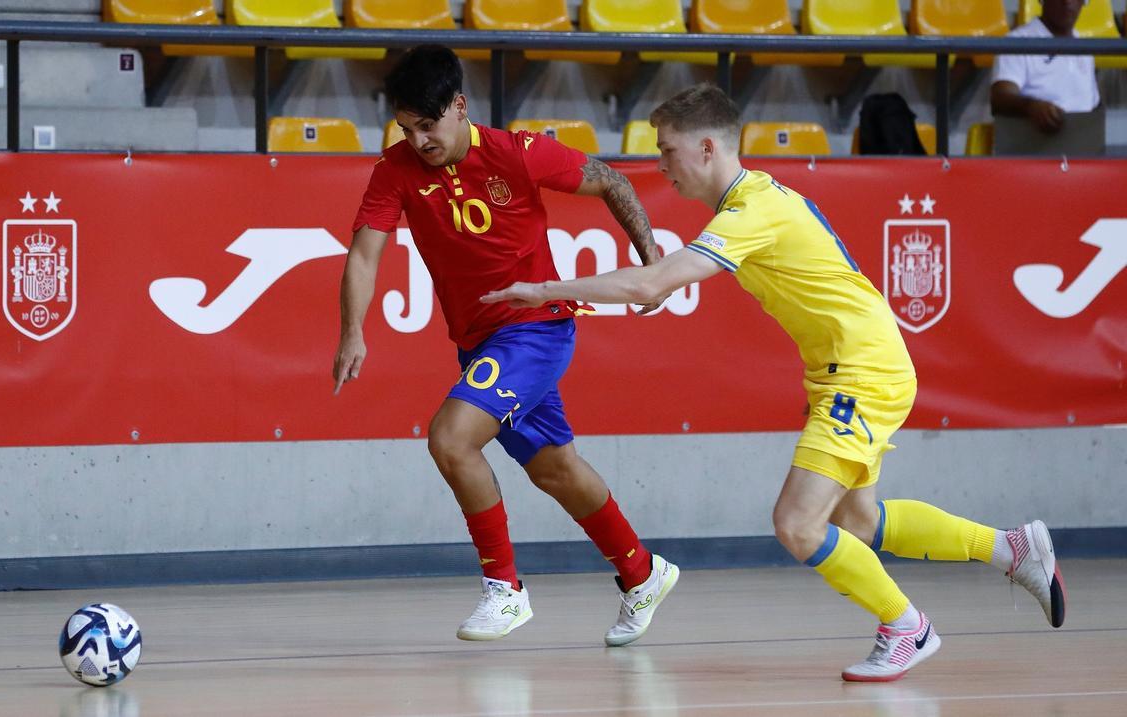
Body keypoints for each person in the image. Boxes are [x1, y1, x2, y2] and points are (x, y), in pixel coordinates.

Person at [482, 83, 1066, 681]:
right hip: (857, 366)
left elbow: (648, 285)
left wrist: (545, 290)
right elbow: (657, 279)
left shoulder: (750, 212)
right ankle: (1009, 548)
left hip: (862, 372)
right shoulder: (751, 203)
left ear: (707, 148)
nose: (661, 165)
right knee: (858, 523)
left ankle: (906, 628)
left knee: (797, 523)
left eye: (668, 151)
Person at [333, 45, 679, 646]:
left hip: (536, 329)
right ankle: (642, 573)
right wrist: (352, 331)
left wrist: (651, 259)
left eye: (428, 125)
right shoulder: (395, 169)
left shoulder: (519, 154)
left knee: (449, 437)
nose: (418, 141)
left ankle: (505, 589)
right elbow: (365, 253)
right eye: (406, 128)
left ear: (460, 107)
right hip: (479, 341)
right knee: (556, 469)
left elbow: (614, 182)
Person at [991, 0, 1099, 134]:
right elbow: (1000, 98)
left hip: (1082, 145)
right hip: (1032, 147)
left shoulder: (1085, 49)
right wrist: (1031, 107)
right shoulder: (1016, 42)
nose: (1067, 2)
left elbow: (1092, 105)